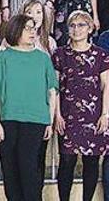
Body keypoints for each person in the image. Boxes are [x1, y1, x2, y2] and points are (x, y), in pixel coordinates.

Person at [0, 14, 58, 201]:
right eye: (28, 28)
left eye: (34, 28)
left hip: (36, 121)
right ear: (16, 30)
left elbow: (51, 92)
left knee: (29, 170)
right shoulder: (2, 57)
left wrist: (49, 121)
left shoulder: (43, 59)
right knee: (10, 172)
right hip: (8, 121)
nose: (33, 31)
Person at [52, 11, 109, 201]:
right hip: (68, 116)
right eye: (73, 25)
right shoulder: (60, 54)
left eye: (81, 25)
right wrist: (57, 114)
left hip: (94, 117)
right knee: (66, 162)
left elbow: (106, 86)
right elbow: (55, 87)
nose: (77, 29)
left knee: (91, 162)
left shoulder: (101, 55)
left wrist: (105, 115)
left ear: (90, 28)